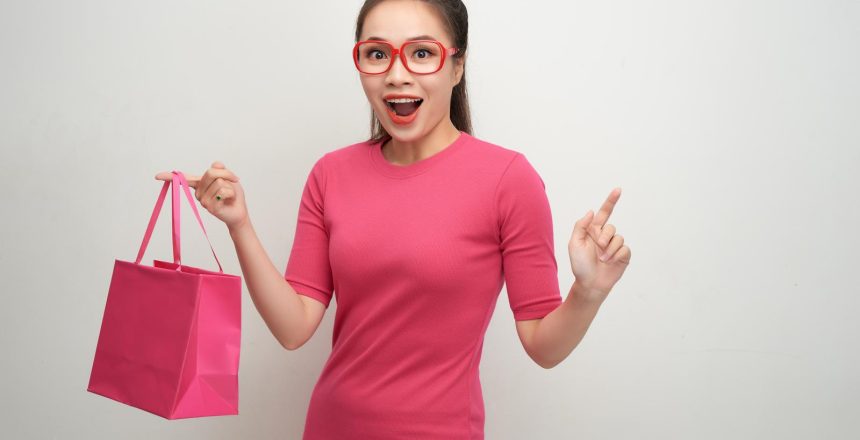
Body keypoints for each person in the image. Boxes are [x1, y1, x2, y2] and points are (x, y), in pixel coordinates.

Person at [156, 0, 631, 438]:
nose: (397, 74)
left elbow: (542, 345)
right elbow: (294, 327)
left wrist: (588, 291)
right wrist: (239, 224)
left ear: (457, 65)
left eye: (421, 53)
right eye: (378, 54)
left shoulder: (508, 179)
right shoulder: (331, 174)